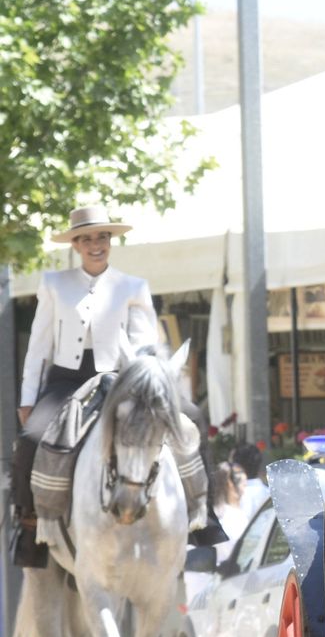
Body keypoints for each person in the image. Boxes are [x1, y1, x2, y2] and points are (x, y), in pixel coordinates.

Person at [11, 204, 225, 567]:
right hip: (67, 379)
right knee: (31, 438)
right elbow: (38, 345)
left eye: (102, 237)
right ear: (76, 245)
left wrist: (156, 388)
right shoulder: (54, 284)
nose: (96, 244)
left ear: (110, 241)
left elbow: (146, 347)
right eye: (87, 238)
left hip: (121, 380)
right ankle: (30, 523)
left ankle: (201, 516)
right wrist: (28, 397)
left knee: (191, 417)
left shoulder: (133, 287)